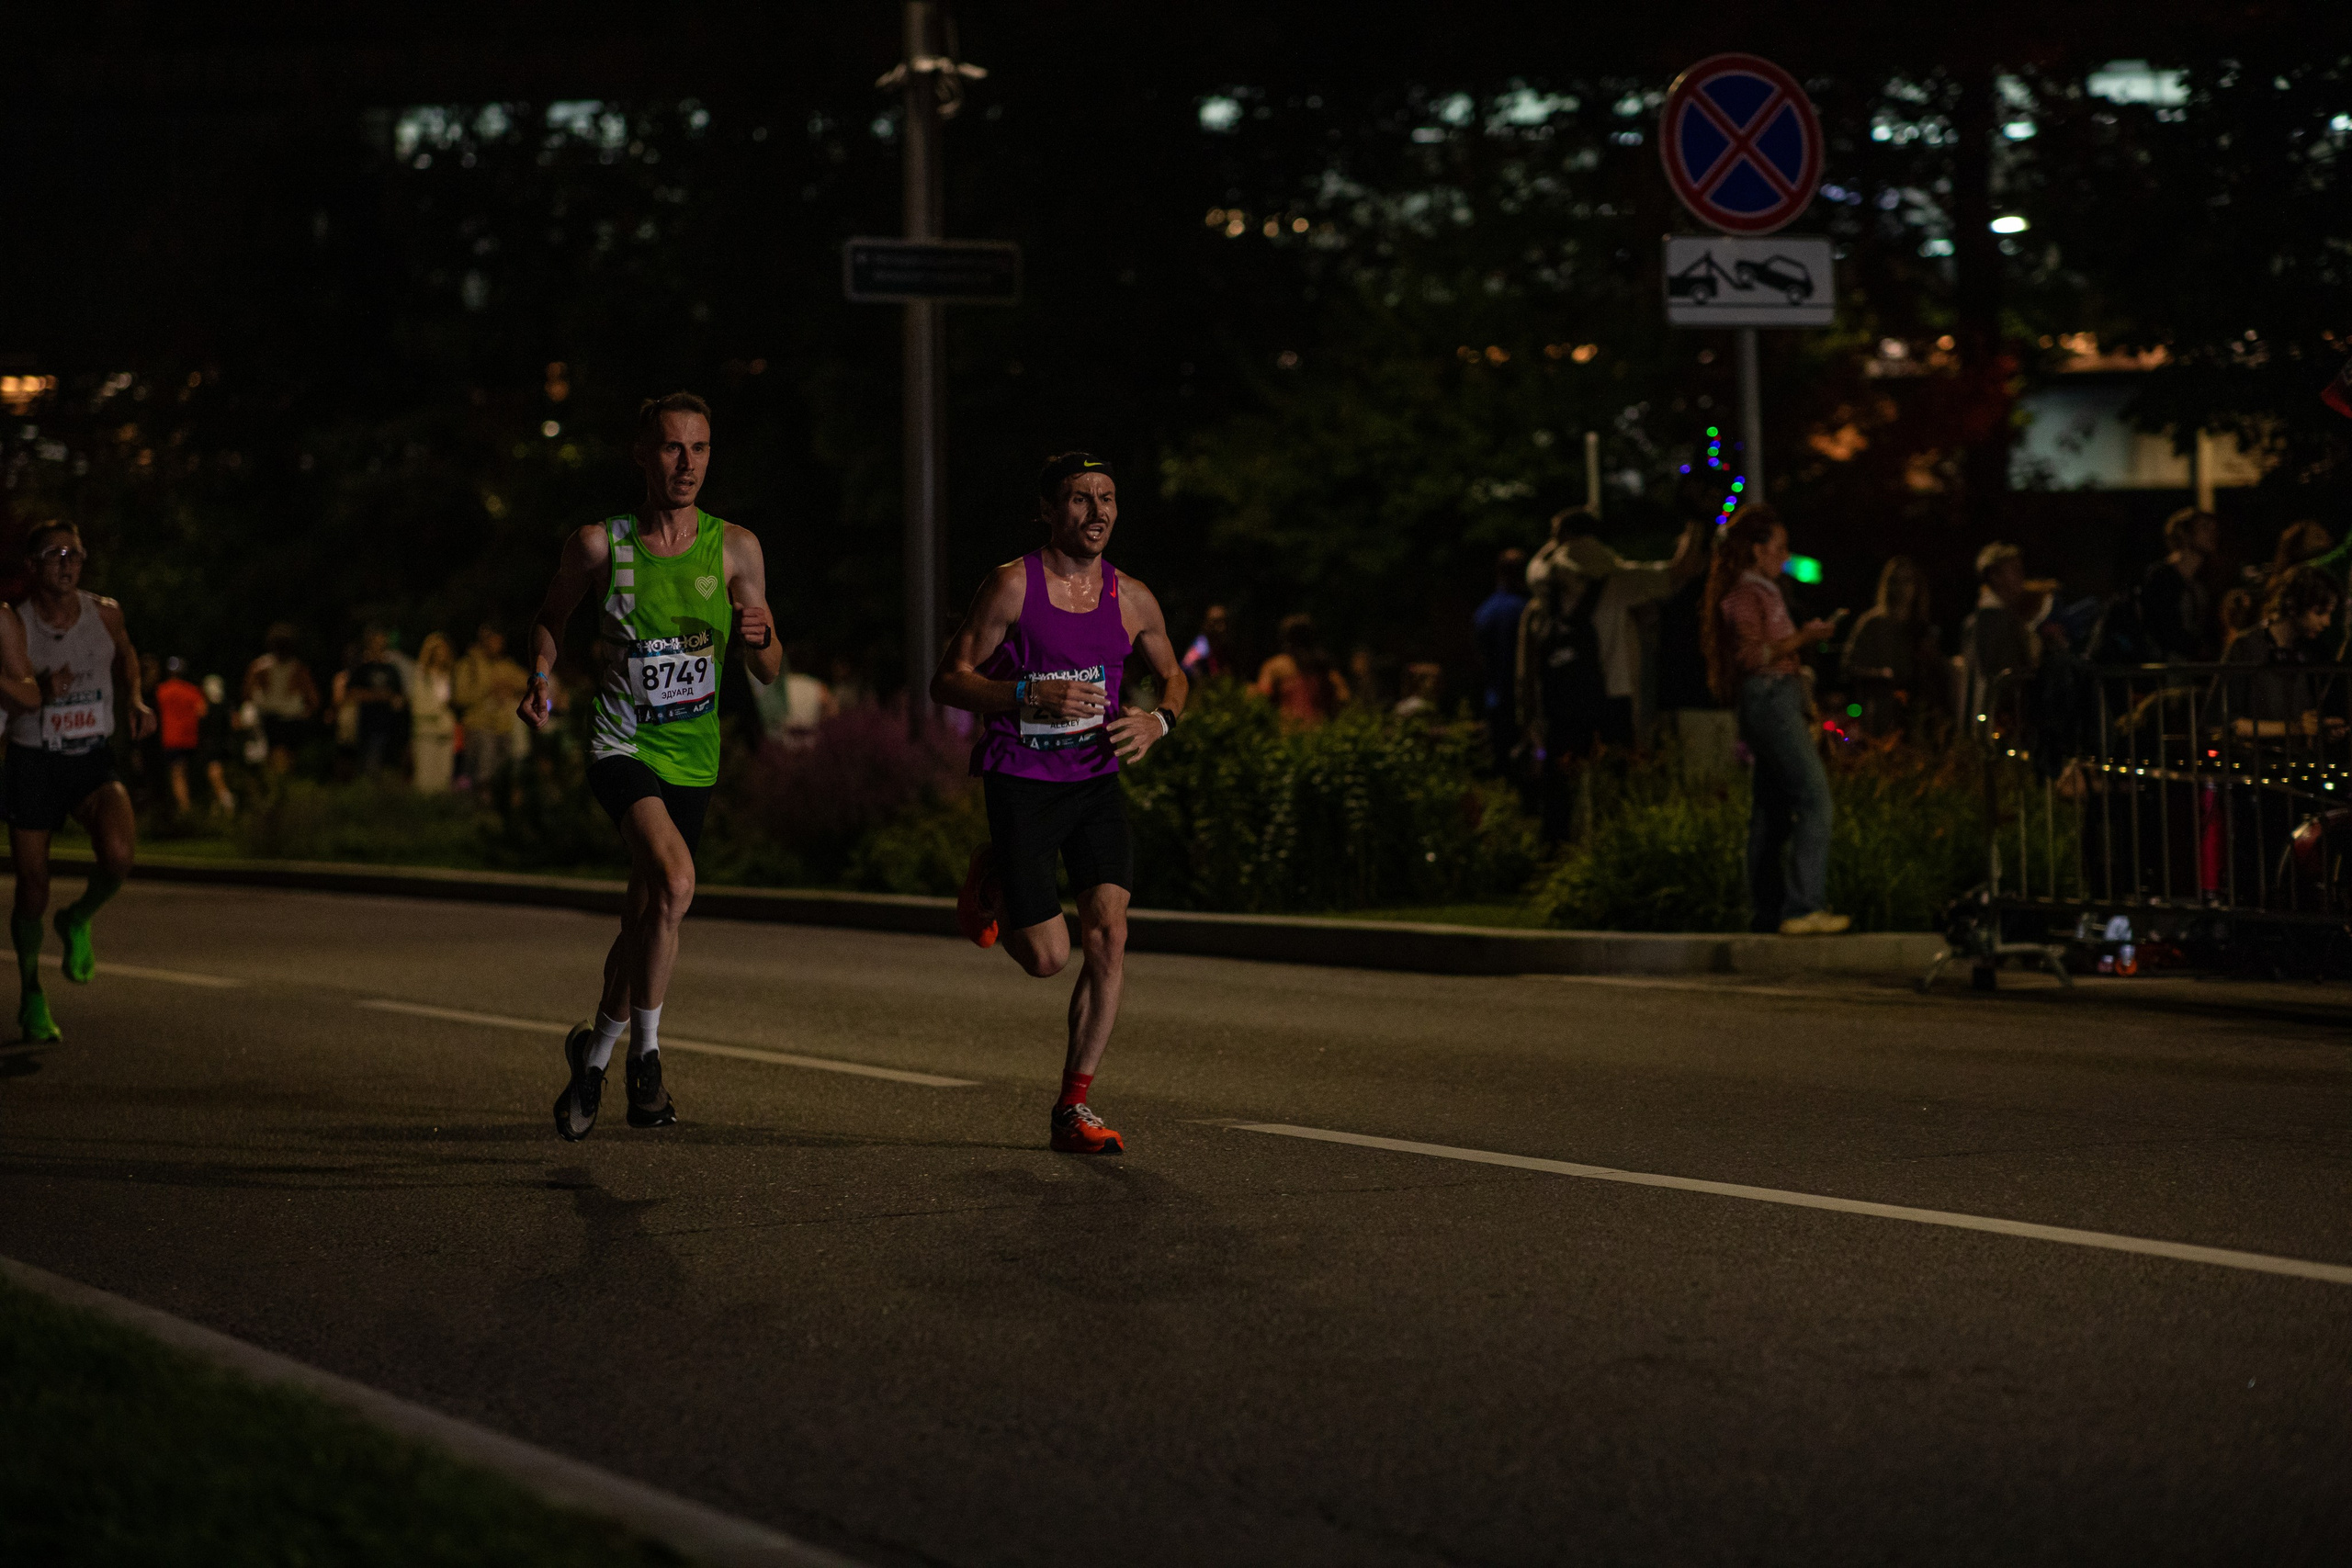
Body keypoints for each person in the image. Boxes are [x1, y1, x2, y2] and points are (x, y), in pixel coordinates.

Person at [523, 392, 781, 1141]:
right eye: (672, 448)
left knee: (645, 912)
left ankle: (592, 1058)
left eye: (700, 448)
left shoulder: (736, 548)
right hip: (621, 745)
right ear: (642, 454)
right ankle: (648, 1056)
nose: (687, 463)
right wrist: (540, 673)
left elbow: (767, 669)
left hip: (694, 758)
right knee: (674, 882)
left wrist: (761, 638)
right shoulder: (600, 545)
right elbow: (549, 618)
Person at [934, 452, 1188, 1156]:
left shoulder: (1131, 597)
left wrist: (1158, 720)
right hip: (1022, 777)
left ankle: (1073, 1107)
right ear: (1048, 510)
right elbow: (947, 680)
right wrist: (1022, 693)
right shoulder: (1012, 587)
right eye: (1079, 498)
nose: (1097, 510)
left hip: (1095, 781)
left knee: (1110, 934)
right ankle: (995, 880)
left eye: (1107, 497)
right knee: (1048, 956)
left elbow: (1173, 675)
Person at [0, 522, 156, 1042]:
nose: (67, 564)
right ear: (33, 566)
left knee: (119, 855)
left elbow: (127, 652)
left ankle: (78, 919)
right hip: (34, 761)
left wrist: (134, 697)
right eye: (54, 555)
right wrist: (38, 688)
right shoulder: (15, 624)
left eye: (75, 554)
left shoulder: (105, 613)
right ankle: (30, 993)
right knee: (32, 887)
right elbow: (13, 693)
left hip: (90, 756)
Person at [1702, 507, 1849, 936]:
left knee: (1771, 813)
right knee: (1815, 800)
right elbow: (1753, 657)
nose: (1784, 558)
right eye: (1779, 549)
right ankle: (1803, 907)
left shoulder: (1763, 591)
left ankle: (1768, 912)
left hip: (1774, 699)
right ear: (1756, 549)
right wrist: (1806, 638)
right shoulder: (1747, 596)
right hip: (1769, 700)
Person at [1838, 556, 1941, 736]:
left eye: (1907, 581)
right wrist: (1879, 675)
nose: (1901, 588)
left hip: (1917, 712)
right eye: (1895, 581)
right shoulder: (1872, 623)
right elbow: (1848, 666)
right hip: (1880, 709)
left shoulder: (1921, 627)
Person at [1962, 542, 2051, 735]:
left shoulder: (1999, 616)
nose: (2021, 577)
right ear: (1995, 576)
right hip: (2000, 723)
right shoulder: (1992, 619)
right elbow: (2001, 674)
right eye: (2014, 570)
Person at [453, 623, 529, 788]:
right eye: (494, 641)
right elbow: (460, 696)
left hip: (503, 728)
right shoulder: (469, 664)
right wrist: (488, 689)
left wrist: (510, 688)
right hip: (479, 726)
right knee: (481, 774)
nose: (498, 645)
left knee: (502, 774)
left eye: (500, 642)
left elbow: (527, 682)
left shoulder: (506, 665)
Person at [2138, 506, 2219, 662]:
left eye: (2214, 528)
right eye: (2204, 527)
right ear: (2185, 534)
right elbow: (2162, 628)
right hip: (2168, 668)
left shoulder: (2199, 582)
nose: (2213, 533)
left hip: (2191, 668)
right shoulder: (2162, 577)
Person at [1472, 549, 1528, 773]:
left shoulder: (1486, 611)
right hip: (1525, 700)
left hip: (1495, 699)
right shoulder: (1526, 609)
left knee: (1502, 764)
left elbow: (1480, 658)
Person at [243, 623, 319, 773]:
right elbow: (247, 694)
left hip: (287, 717)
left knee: (283, 756)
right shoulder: (262, 667)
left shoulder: (296, 668)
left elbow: (313, 698)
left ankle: (280, 786)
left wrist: (306, 712)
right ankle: (279, 786)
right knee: (278, 755)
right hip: (274, 717)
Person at [1254, 613, 1348, 724]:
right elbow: (1263, 697)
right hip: (1295, 731)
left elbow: (1343, 696)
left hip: (1314, 731)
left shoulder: (1322, 667)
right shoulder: (1276, 667)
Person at [336, 628, 405, 775]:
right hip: (367, 724)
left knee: (385, 765)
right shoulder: (363, 669)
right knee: (367, 763)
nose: (379, 647)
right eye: (376, 643)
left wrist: (395, 700)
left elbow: (399, 695)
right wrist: (378, 696)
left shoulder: (391, 670)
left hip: (389, 725)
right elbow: (352, 693)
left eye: (382, 644)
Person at [153, 657, 209, 815]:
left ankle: (184, 810)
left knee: (177, 774)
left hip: (171, 739)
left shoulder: (161, 690)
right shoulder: (192, 690)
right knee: (186, 773)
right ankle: (187, 806)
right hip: (190, 739)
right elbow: (203, 711)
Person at [407, 632, 458, 792]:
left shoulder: (449, 675)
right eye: (436, 649)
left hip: (446, 731)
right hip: (426, 731)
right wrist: (439, 709)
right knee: (425, 778)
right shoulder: (420, 674)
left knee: (444, 777)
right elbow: (417, 704)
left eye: (443, 649)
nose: (440, 653)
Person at [1181, 604, 1233, 681]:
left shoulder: (1223, 645)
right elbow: (1187, 665)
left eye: (1224, 621)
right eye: (1216, 622)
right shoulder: (1201, 644)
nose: (1222, 627)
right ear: (1207, 624)